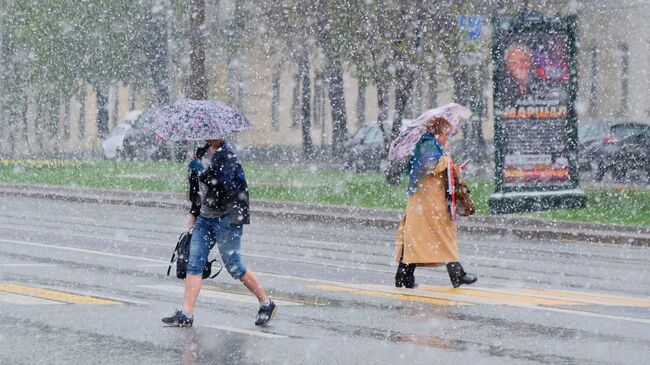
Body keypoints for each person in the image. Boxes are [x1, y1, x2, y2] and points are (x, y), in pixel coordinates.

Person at [162, 139, 277, 327]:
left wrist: (202, 171)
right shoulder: (200, 153)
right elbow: (196, 189)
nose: (209, 134)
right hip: (204, 219)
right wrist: (194, 211)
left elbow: (224, 186)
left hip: (226, 218)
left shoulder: (228, 156)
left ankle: (266, 303)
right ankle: (186, 314)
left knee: (234, 266)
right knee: (194, 263)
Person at [394, 117, 477, 289]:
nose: (447, 137)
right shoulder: (428, 145)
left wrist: (453, 166)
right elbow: (432, 165)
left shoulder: (432, 145)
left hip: (428, 201)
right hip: (427, 202)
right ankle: (456, 274)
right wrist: (447, 160)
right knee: (438, 236)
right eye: (446, 133)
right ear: (438, 133)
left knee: (419, 239)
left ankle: (404, 276)